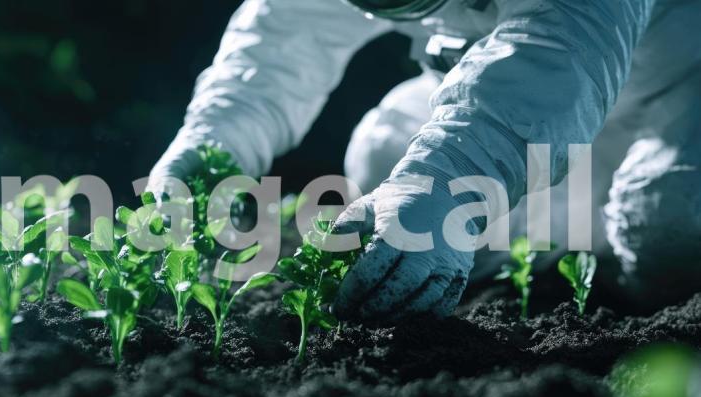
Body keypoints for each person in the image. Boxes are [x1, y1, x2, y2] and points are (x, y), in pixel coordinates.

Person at [147, 0, 701, 321]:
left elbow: (557, 56)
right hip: (525, 112)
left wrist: (444, 183)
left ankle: (620, 275)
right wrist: (214, 143)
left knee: (675, 218)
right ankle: (578, 248)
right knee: (382, 156)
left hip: (677, 93)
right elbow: (284, 33)